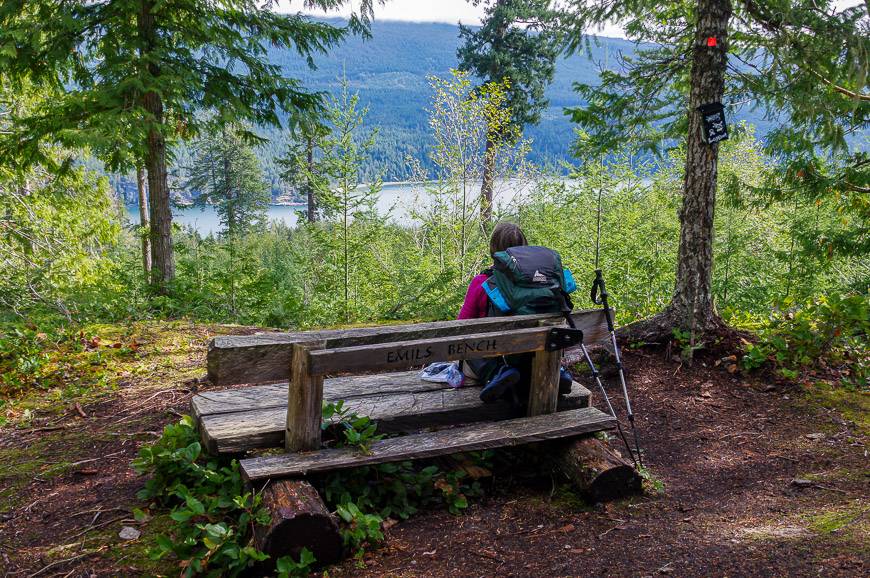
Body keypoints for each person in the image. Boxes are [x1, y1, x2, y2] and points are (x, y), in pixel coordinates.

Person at [458, 222, 573, 404]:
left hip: (498, 356)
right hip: (537, 359)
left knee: (466, 349)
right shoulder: (548, 281)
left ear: (493, 248)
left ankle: (496, 373)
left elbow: (461, 327)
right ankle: (557, 371)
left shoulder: (483, 282)